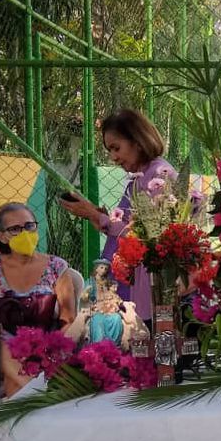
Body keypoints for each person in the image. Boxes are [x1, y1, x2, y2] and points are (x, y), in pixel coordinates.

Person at [59, 109, 176, 324]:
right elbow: (131, 225)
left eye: (116, 148)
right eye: (109, 150)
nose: (113, 157)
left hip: (147, 284)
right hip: (129, 277)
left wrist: (97, 216)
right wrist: (97, 214)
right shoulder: (139, 174)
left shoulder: (159, 174)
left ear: (138, 140)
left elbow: (150, 236)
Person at [0, 203, 77, 399]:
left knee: (14, 384)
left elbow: (68, 319)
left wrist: (50, 348)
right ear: (1, 235)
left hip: (47, 344)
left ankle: (30, 402)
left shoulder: (56, 267)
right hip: (1, 349)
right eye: (15, 229)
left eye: (29, 226)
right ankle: (39, 393)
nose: (24, 234)